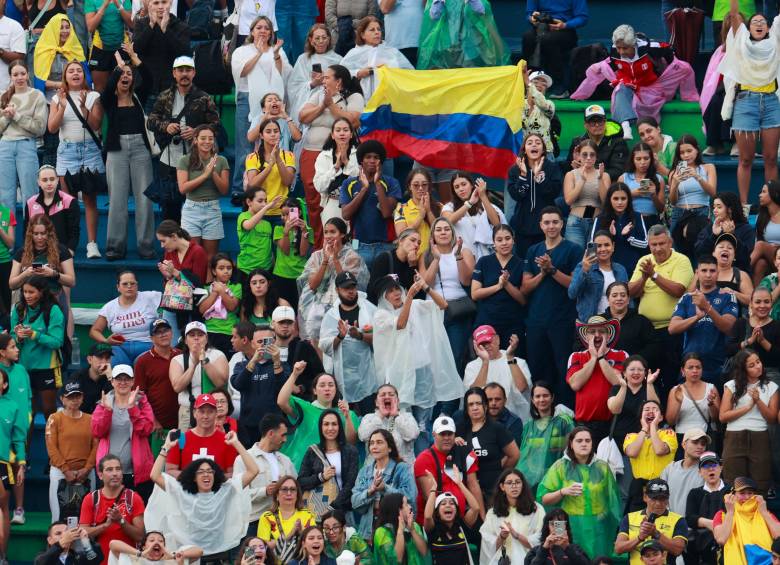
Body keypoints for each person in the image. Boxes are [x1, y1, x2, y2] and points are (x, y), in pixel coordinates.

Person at [373, 274, 463, 447]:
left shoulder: (414, 304)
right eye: (390, 291)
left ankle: (423, 465)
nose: (396, 293)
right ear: (383, 296)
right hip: (398, 374)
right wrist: (410, 298)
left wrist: (426, 287)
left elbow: (443, 305)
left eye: (397, 289)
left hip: (422, 369)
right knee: (402, 421)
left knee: (422, 424)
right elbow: (401, 324)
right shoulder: (380, 315)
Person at [146, 430, 257, 560]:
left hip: (220, 553)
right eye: (201, 472)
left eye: (210, 471)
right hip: (191, 554)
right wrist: (166, 447)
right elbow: (155, 475)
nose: (206, 474)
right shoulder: (182, 492)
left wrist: (236, 443)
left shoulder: (225, 491)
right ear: (194, 477)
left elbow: (253, 471)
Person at [720, 0, 780, 205]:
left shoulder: (776, 43)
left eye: (763, 21)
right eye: (755, 21)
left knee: (771, 158)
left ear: (768, 27)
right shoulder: (740, 40)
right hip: (746, 103)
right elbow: (735, 14)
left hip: (772, 102)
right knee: (745, 159)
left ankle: (772, 203)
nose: (759, 23)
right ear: (748, 26)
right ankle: (743, 207)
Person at [146, 56, 219, 223]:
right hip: (169, 159)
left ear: (194, 73)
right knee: (169, 210)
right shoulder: (164, 96)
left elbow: (216, 125)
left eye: (188, 70)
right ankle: (172, 247)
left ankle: (191, 247)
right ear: (174, 73)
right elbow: (151, 121)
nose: (184, 74)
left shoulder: (204, 97)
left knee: (194, 210)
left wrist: (197, 132)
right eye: (180, 70)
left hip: (195, 160)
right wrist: (166, 126)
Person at [299, 64, 364, 247]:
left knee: (343, 195)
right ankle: (319, 246)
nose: (323, 80)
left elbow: (353, 121)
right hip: (311, 152)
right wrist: (322, 105)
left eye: (327, 77)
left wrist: (331, 105)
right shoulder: (318, 94)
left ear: (339, 81)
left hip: (339, 151)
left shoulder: (352, 96)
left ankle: (342, 246)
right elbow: (303, 117)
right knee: (313, 200)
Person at [523, 207, 582, 406]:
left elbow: (574, 284)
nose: (551, 226)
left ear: (562, 224)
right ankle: (541, 411)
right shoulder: (533, 250)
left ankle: (565, 413)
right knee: (539, 369)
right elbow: (525, 287)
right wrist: (543, 273)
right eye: (546, 222)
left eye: (555, 222)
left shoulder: (573, 250)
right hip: (537, 320)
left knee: (563, 368)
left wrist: (552, 269)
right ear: (540, 225)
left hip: (563, 320)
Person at [47, 57, 104, 258]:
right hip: (67, 152)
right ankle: (67, 244)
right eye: (71, 71)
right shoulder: (56, 98)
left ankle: (92, 244)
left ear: (84, 75)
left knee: (90, 200)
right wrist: (62, 106)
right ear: (65, 76)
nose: (75, 74)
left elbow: (97, 125)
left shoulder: (94, 95)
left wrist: (83, 108)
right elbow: (52, 128)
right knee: (67, 201)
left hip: (90, 150)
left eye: (79, 70)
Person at [537, 426, 622, 559]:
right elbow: (544, 499)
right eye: (579, 440)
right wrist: (562, 491)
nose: (584, 444)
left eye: (587, 441)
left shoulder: (602, 467)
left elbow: (613, 500)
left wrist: (603, 516)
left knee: (597, 559)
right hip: (565, 525)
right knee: (566, 559)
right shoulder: (560, 466)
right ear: (571, 444)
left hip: (597, 527)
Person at [230, 16, 291, 195]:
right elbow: (242, 71)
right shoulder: (241, 51)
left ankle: (267, 189)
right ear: (251, 31)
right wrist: (257, 52)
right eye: (259, 27)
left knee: (271, 142)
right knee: (244, 143)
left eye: (266, 28)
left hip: (270, 101)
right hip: (246, 96)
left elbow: (283, 73)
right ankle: (239, 190)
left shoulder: (277, 50)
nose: (263, 31)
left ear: (271, 32)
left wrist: (276, 54)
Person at [628, 224, 694, 384]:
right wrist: (644, 278)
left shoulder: (681, 260)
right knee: (648, 376)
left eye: (661, 243)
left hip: (671, 330)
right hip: (646, 330)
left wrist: (654, 275)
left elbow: (678, 290)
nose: (657, 248)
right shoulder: (644, 260)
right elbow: (630, 292)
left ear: (670, 242)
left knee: (671, 375)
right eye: (653, 244)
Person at [419, 216, 476, 370]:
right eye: (438, 230)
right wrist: (436, 259)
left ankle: (456, 394)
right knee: (435, 357)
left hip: (458, 310)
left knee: (455, 356)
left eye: (446, 229)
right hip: (434, 311)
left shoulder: (464, 252)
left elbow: (466, 281)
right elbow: (426, 283)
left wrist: (457, 256)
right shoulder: (426, 255)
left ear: (452, 233)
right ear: (433, 235)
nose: (443, 232)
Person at [298, 217, 369, 342]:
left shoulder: (352, 256)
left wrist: (335, 259)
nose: (328, 236)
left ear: (342, 234)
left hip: (343, 304)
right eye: (326, 232)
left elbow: (347, 284)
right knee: (316, 341)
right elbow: (313, 285)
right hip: (317, 305)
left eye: (333, 232)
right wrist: (325, 260)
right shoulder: (317, 255)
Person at [668, 255, 738, 382]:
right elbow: (672, 328)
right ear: (697, 273)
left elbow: (729, 328)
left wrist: (707, 308)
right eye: (704, 270)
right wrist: (696, 317)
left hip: (716, 366)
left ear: (718, 273)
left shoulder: (727, 296)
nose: (708, 275)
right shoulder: (687, 298)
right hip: (690, 365)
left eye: (712, 271)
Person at [91, 365, 155, 501]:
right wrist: (107, 412)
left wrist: (132, 409)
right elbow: (97, 431)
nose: (123, 382)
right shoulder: (103, 403)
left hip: (136, 473)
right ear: (112, 382)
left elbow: (147, 429)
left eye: (127, 379)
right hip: (109, 472)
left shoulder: (142, 402)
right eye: (119, 379)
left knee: (138, 517)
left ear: (133, 381)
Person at [319, 270, 378, 415]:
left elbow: (383, 340)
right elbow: (324, 346)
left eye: (353, 287)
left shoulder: (369, 309)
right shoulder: (331, 316)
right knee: (345, 420)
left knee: (368, 417)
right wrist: (340, 336)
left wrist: (360, 336)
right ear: (338, 289)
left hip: (367, 375)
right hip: (342, 377)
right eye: (346, 288)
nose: (351, 291)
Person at [277, 367, 360, 469]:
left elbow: (351, 442)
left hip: (332, 471)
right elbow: (281, 401)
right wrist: (294, 374)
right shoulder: (305, 408)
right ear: (315, 391)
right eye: (322, 385)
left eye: (331, 385)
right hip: (301, 468)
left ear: (335, 390)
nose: (327, 388)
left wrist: (347, 416)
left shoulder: (347, 413)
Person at [720, 349, 779, 493]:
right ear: (743, 369)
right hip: (734, 435)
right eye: (751, 365)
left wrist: (758, 401)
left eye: (758, 362)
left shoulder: (771, 386)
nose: (758, 366)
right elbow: (723, 416)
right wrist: (747, 407)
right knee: (734, 481)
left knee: (761, 481)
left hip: (760, 436)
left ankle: (758, 514)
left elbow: (772, 418)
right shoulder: (731, 385)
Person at [339, 140, 403, 266]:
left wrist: (377, 183)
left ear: (381, 161)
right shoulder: (349, 183)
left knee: (383, 285)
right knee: (360, 285)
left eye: (376, 157)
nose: (372, 160)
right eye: (368, 157)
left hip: (385, 247)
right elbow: (345, 214)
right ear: (361, 161)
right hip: (359, 246)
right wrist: (364, 189)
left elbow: (386, 213)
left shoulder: (391, 183)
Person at [10, 274, 65, 421]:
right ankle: (23, 445)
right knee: (28, 414)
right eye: (25, 292)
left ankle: (52, 444)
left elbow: (56, 342)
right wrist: (18, 337)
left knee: (49, 411)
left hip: (47, 367)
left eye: (31, 292)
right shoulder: (19, 309)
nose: (27, 295)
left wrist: (34, 334)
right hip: (24, 367)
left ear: (41, 292)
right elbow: (12, 337)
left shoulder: (53, 311)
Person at [567, 316, 628, 444]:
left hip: (613, 423)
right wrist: (593, 358)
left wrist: (601, 358)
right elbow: (575, 384)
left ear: (608, 334)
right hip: (584, 425)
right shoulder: (576, 356)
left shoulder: (621, 355)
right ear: (586, 336)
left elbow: (618, 383)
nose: (597, 335)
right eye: (592, 332)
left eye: (601, 331)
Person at [233, 413, 296, 535]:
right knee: (252, 555)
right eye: (283, 435)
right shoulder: (243, 459)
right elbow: (237, 495)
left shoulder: (285, 461)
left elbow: (297, 489)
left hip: (282, 524)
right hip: (253, 525)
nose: (285, 439)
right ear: (271, 434)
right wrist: (265, 491)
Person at [414, 415, 483, 523]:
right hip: (435, 523)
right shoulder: (424, 459)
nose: (446, 437)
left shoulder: (463, 453)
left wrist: (483, 520)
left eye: (450, 434)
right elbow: (431, 502)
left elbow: (474, 486)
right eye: (442, 434)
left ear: (455, 435)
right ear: (434, 435)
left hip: (461, 520)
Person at [79, 454, 146, 565]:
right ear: (100, 475)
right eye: (109, 470)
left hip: (127, 562)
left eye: (118, 469)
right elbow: (83, 533)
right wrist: (105, 525)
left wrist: (121, 521)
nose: (115, 473)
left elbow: (140, 536)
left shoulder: (134, 498)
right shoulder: (91, 499)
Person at [175, 125, 230, 259]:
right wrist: (204, 176)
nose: (207, 142)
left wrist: (213, 174)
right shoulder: (185, 160)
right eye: (203, 138)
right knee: (192, 255)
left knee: (210, 257)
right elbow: (183, 188)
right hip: (192, 210)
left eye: (210, 139)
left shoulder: (221, 161)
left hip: (212, 209)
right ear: (195, 140)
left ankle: (208, 281)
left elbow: (224, 190)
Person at [352, 429, 416, 541]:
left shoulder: (402, 468)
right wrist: (369, 491)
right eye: (371, 443)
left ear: (390, 448)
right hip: (368, 532)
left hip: (395, 530)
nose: (374, 446)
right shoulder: (364, 471)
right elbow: (355, 503)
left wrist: (385, 488)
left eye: (379, 442)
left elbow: (410, 496)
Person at [230, 324, 289, 447]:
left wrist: (276, 361)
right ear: (252, 344)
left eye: (267, 341)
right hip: (249, 426)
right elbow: (238, 384)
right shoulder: (241, 366)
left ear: (274, 342)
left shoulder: (283, 365)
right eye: (259, 341)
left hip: (274, 427)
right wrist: (253, 361)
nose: (263, 345)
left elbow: (283, 390)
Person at [0, 61, 47, 213]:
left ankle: (33, 235)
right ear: (10, 77)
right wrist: (7, 117)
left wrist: (17, 116)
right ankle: (7, 236)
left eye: (23, 73)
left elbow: (40, 128)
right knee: (5, 196)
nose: (19, 77)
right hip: (5, 146)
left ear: (28, 74)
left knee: (30, 194)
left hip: (26, 145)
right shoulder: (3, 96)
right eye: (15, 74)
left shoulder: (37, 95)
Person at [458, 387, 519, 500]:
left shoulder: (496, 428)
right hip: (469, 489)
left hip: (494, 489)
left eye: (478, 403)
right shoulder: (460, 429)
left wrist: (500, 470)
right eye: (471, 404)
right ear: (466, 408)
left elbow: (514, 455)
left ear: (485, 406)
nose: (475, 407)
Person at [89, 271, 161, 367]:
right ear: (118, 287)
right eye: (125, 284)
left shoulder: (150, 297)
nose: (129, 286)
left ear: (137, 285)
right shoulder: (110, 307)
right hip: (119, 347)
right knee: (119, 368)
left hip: (147, 344)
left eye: (132, 283)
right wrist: (106, 341)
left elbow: (173, 302)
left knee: (143, 368)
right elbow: (94, 331)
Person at [471, 224, 526, 349]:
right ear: (493, 243)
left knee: (512, 362)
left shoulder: (521, 264)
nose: (504, 243)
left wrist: (507, 284)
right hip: (487, 321)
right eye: (499, 240)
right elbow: (475, 294)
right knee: (487, 361)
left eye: (507, 238)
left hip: (512, 323)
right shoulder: (484, 262)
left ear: (513, 240)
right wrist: (498, 286)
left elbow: (523, 300)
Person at [168, 322, 229, 432]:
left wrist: (204, 361)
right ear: (185, 340)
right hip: (188, 411)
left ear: (206, 338)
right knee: (185, 447)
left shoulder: (218, 355)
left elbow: (220, 383)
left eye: (200, 335)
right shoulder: (178, 360)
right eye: (192, 335)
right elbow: (177, 387)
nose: (196, 338)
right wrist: (194, 364)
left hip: (213, 410)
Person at [298, 408, 359, 516]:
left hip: (343, 511)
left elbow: (351, 484)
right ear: (321, 427)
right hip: (316, 510)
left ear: (339, 426)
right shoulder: (312, 451)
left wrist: (333, 506)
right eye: (326, 424)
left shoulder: (350, 451)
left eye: (334, 424)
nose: (330, 428)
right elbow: (301, 482)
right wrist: (321, 477)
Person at [133, 318, 180, 456]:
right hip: (158, 427)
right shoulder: (143, 361)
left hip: (182, 423)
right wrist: (153, 420)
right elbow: (139, 395)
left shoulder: (181, 355)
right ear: (151, 338)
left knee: (180, 463)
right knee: (159, 464)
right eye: (158, 332)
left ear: (172, 333)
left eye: (165, 330)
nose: (163, 334)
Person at [155, 220, 208, 341]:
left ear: (174, 236)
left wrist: (176, 273)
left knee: (189, 345)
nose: (162, 245)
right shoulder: (169, 252)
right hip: (171, 305)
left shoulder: (197, 251)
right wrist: (167, 276)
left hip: (190, 308)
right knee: (171, 344)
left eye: (163, 241)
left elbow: (198, 284)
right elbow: (170, 281)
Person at [614, 478, 688, 565]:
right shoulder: (629, 517)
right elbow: (618, 549)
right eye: (654, 498)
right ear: (645, 497)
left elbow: (678, 550)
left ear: (668, 499)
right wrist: (639, 538)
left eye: (663, 499)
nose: (658, 503)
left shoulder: (678, 520)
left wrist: (656, 534)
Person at [464, 325, 531, 421]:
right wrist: (485, 362)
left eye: (488, 342)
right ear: (475, 347)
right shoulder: (471, 366)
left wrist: (510, 357)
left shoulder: (516, 361)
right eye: (482, 344)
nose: (486, 346)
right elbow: (474, 395)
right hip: (484, 422)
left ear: (498, 340)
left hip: (516, 419)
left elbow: (522, 388)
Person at [522, 0, 588, 97]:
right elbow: (529, 13)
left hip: (566, 30)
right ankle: (530, 82)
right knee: (527, 38)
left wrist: (565, 25)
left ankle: (560, 85)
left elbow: (582, 17)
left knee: (549, 40)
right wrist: (532, 18)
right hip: (541, 28)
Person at [340, 15, 414, 101]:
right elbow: (340, 73)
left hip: (389, 101)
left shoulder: (392, 52)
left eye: (379, 29)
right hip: (362, 102)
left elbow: (409, 72)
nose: (377, 32)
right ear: (362, 34)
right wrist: (358, 73)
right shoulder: (354, 53)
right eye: (372, 30)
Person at [164, 393, 238, 478]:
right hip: (186, 489)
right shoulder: (180, 438)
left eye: (210, 412)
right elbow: (170, 471)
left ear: (216, 413)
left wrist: (212, 479)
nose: (205, 416)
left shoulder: (227, 441)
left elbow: (232, 474)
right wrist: (194, 478)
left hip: (217, 490)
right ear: (194, 413)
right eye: (202, 411)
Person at [517, 382, 574, 492]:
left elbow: (572, 450)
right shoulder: (528, 427)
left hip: (559, 480)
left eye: (545, 395)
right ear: (532, 400)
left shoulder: (564, 421)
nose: (542, 399)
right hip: (533, 483)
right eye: (537, 396)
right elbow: (524, 456)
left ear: (552, 398)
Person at [480, 469, 545, 565]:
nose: (514, 486)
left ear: (522, 485)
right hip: (501, 560)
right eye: (509, 483)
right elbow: (488, 543)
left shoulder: (536, 509)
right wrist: (502, 536)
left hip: (528, 559)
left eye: (518, 482)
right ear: (502, 487)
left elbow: (541, 538)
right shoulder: (493, 512)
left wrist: (516, 535)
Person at [623, 400, 677, 512]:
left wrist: (653, 426)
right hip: (639, 487)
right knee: (636, 522)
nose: (650, 411)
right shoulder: (632, 436)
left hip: (661, 485)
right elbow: (632, 452)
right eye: (646, 409)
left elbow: (659, 450)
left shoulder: (668, 434)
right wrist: (644, 429)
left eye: (654, 409)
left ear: (661, 417)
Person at [712, 476, 780, 562]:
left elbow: (779, 536)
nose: (747, 497)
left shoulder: (764, 512)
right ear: (733, 494)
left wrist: (764, 513)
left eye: (750, 493)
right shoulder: (722, 515)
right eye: (742, 493)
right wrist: (730, 512)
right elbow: (721, 539)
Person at [132, 0, 190, 99]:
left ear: (171, 3)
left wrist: (165, 30)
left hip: (171, 89)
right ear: (149, 5)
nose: (160, 6)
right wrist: (151, 26)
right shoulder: (141, 24)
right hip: (145, 89)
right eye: (156, 3)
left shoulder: (181, 26)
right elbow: (137, 48)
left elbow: (184, 53)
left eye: (164, 2)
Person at [444, 172, 506, 261]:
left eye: (464, 184)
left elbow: (496, 223)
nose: (461, 189)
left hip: (486, 257)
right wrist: (469, 203)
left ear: (472, 185)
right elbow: (448, 221)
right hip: (462, 258)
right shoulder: (449, 207)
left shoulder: (485, 205)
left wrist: (483, 196)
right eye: (456, 187)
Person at [569, 230, 629, 322]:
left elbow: (628, 298)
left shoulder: (620, 269)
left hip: (618, 322)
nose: (603, 249)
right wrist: (584, 270)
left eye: (607, 245)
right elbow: (572, 293)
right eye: (599, 246)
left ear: (613, 246)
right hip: (592, 323)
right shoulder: (582, 266)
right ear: (593, 248)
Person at [244, 118, 296, 224]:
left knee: (287, 240)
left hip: (283, 211)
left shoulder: (289, 155)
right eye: (268, 131)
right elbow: (252, 185)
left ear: (280, 134)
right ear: (261, 135)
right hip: (260, 211)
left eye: (276, 131)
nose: (273, 134)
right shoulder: (253, 157)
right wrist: (270, 166)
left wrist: (278, 158)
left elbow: (287, 182)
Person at [664, 353, 720, 450]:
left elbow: (717, 418)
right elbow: (671, 421)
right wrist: (678, 402)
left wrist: (711, 404)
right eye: (690, 367)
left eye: (698, 367)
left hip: (704, 436)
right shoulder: (676, 390)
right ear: (682, 371)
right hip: (682, 437)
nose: (695, 371)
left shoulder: (711, 388)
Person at [591, 183, 649, 274]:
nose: (619, 202)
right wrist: (609, 236)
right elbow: (591, 245)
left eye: (623, 198)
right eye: (615, 199)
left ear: (628, 200)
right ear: (609, 200)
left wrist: (628, 236)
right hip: (606, 270)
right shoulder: (600, 218)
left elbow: (645, 244)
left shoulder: (636, 216)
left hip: (633, 269)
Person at [287, 24, 341, 122]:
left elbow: (342, 82)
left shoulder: (338, 59)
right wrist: (313, 84)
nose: (321, 41)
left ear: (329, 40)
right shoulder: (303, 59)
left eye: (324, 38)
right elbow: (293, 86)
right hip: (308, 100)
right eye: (317, 38)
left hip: (331, 98)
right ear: (311, 41)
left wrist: (327, 81)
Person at [256, 476, 316, 563]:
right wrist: (290, 535)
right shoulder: (267, 517)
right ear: (277, 495)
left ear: (297, 495)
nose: (289, 493)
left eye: (292, 489)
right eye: (284, 489)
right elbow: (261, 548)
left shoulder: (307, 515)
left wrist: (301, 533)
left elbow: (314, 543)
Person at [563, 140, 610, 249]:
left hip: (596, 222)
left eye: (592, 154)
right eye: (585, 154)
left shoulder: (604, 175)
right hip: (575, 222)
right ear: (578, 155)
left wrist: (600, 179)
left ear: (596, 156)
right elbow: (568, 200)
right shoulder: (571, 174)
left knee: (593, 257)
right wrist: (582, 180)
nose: (588, 158)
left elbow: (606, 202)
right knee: (575, 257)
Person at [562, 105, 629, 182]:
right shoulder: (577, 142)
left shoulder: (618, 142)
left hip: (608, 186)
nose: (597, 125)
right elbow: (567, 171)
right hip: (582, 184)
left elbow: (618, 171)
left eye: (600, 121)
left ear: (605, 122)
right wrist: (573, 166)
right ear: (585, 125)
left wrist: (589, 169)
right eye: (592, 122)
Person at [357, 384, 420, 465]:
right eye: (382, 395)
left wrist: (396, 415)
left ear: (397, 401)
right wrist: (380, 416)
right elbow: (363, 436)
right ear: (376, 402)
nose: (387, 397)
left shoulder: (407, 416)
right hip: (374, 471)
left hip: (402, 471)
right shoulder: (369, 418)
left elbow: (412, 435)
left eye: (391, 394)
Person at [313, 117, 360, 225]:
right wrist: (335, 168)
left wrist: (347, 163)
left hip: (356, 203)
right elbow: (319, 186)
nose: (342, 133)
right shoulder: (324, 156)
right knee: (332, 238)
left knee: (353, 240)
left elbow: (362, 180)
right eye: (338, 130)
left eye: (345, 130)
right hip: (332, 201)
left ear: (351, 134)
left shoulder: (359, 153)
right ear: (332, 135)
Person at [422, 477, 480, 564]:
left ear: (456, 510)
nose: (448, 505)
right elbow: (427, 516)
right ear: (437, 512)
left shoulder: (462, 526)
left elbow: (475, 508)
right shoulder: (433, 528)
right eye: (443, 504)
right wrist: (433, 489)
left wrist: (460, 484)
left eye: (452, 503)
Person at [693, 232, 754, 315]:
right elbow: (689, 295)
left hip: (731, 320)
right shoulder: (702, 270)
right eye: (721, 247)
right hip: (701, 318)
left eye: (730, 248)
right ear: (713, 253)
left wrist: (734, 293)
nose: (725, 249)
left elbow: (753, 301)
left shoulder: (740, 275)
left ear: (734, 256)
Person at [668, 136, 717, 237]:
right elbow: (673, 202)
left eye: (689, 151)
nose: (686, 155)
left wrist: (697, 177)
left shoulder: (708, 167)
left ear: (697, 150)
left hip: (701, 211)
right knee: (678, 247)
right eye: (682, 153)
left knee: (701, 247)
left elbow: (713, 193)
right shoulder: (674, 172)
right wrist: (675, 183)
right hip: (680, 212)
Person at [696, 192, 755, 276]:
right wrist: (714, 235)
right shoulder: (710, 228)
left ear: (730, 209)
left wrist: (732, 235)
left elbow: (745, 257)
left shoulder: (746, 229)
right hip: (711, 273)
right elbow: (700, 253)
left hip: (737, 273)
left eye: (719, 207)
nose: (715, 210)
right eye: (714, 207)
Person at [684, 451, 728, 565]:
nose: (710, 469)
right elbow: (690, 518)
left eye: (713, 465)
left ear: (721, 467)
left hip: (729, 542)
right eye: (705, 466)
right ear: (699, 472)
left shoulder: (732, 491)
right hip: (702, 547)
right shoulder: (695, 493)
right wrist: (712, 524)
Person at [726, 287, 780, 379]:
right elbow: (729, 350)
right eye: (758, 302)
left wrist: (763, 341)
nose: (762, 306)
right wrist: (749, 341)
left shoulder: (777, 326)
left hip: (769, 377)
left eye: (766, 302)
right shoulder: (741, 323)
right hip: (742, 376)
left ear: (771, 303)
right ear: (751, 304)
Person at [273, 198, 314, 310]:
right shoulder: (278, 229)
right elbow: (285, 250)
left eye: (288, 214)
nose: (284, 218)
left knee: (299, 309)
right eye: (282, 215)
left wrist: (304, 231)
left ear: (298, 213)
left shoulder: (308, 230)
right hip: (282, 274)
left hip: (300, 275)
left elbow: (303, 252)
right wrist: (286, 233)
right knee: (284, 309)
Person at [0, 364, 25, 545]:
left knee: (2, 508)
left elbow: (18, 440)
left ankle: (2, 556)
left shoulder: (12, 406)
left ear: (4, 385)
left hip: (3, 463)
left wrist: (21, 464)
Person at [198, 254, 241, 356]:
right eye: (221, 268)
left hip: (229, 332)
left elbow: (232, 306)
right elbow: (202, 310)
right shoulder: (206, 288)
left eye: (229, 268)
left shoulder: (236, 286)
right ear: (214, 271)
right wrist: (214, 293)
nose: (226, 271)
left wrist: (222, 290)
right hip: (209, 331)